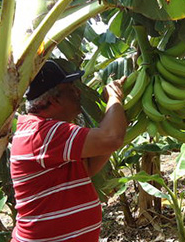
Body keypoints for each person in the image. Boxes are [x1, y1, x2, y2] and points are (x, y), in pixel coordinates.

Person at [10, 60, 127, 242]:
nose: (78, 92)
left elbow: (86, 169)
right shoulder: (42, 133)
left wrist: (115, 129)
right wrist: (114, 98)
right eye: (71, 88)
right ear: (54, 99)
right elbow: (111, 138)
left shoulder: (46, 131)